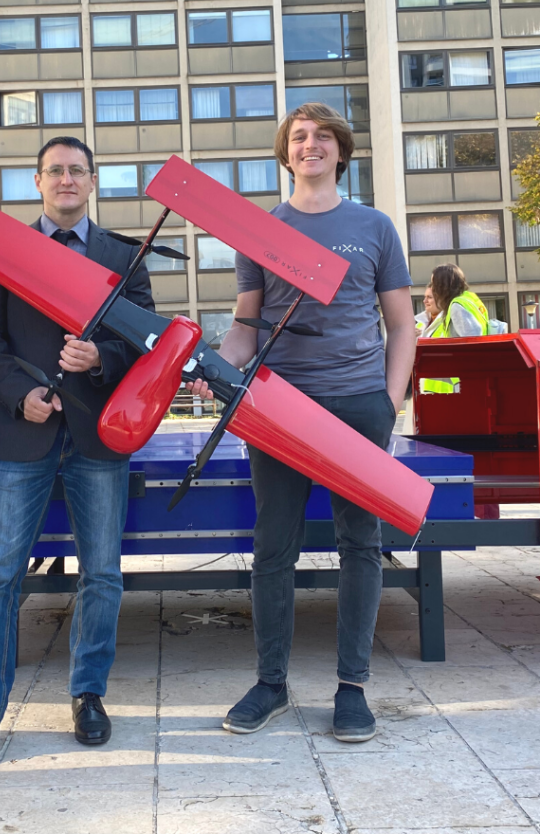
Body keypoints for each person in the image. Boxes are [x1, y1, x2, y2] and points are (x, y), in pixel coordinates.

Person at [189, 103, 416, 743]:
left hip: (357, 404)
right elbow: (244, 327)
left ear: (341, 151)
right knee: (272, 547)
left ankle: (353, 688)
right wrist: (216, 368)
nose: (310, 146)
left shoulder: (373, 227)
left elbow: (401, 324)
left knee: (361, 544)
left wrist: (387, 401)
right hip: (278, 408)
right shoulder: (262, 230)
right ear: (286, 154)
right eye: (298, 138)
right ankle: (271, 683)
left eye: (321, 137)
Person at [0, 136, 155, 771]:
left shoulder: (123, 256)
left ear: (92, 181)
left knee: (103, 576)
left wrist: (101, 358)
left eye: (76, 170)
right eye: (54, 171)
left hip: (98, 437)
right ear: (37, 181)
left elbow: (146, 341)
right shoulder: (5, 252)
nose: (66, 179)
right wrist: (18, 391)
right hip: (21, 432)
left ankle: (88, 695)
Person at [422, 263, 490, 340]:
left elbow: (472, 339)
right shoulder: (469, 297)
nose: (433, 288)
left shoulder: (456, 307)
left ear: (443, 285)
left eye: (434, 284)